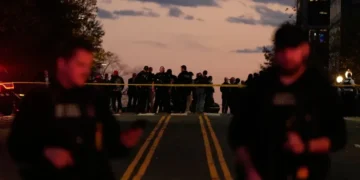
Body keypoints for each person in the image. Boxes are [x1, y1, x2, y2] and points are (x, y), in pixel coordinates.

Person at [7, 37, 144, 180]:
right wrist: (45, 152)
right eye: (80, 64)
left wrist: (124, 143)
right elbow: (17, 145)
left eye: (88, 66)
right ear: (62, 63)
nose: (86, 71)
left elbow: (110, 147)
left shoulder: (95, 99)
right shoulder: (39, 100)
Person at [228, 23, 347, 180]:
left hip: (307, 171)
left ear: (305, 49)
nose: (287, 55)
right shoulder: (260, 86)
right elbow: (237, 134)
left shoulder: (320, 88)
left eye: (293, 49)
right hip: (262, 171)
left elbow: (338, 137)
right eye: (282, 50)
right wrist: (250, 170)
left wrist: (306, 146)